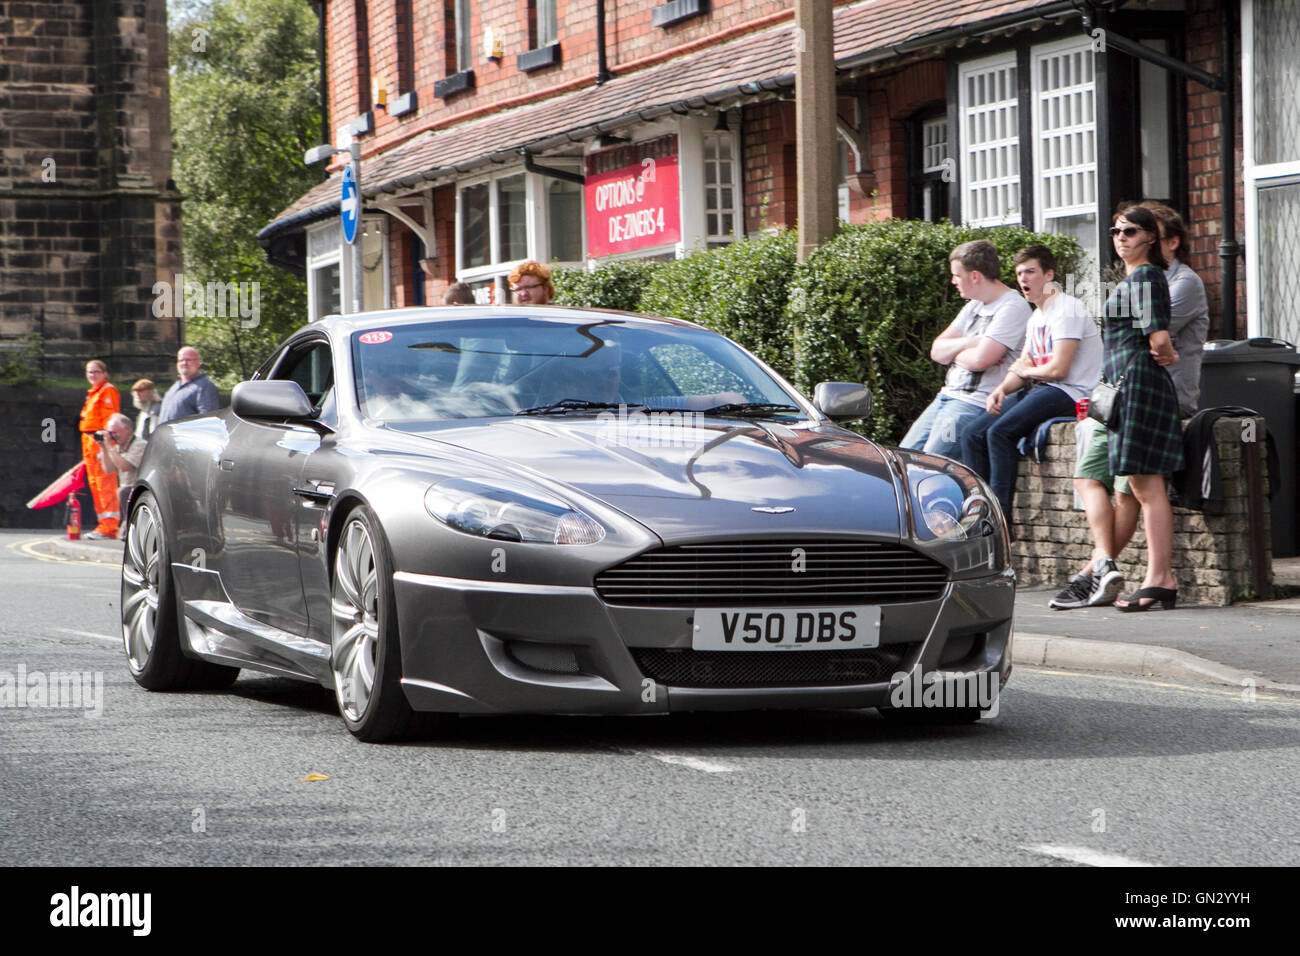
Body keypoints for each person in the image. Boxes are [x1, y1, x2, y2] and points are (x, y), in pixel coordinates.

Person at [1051, 203, 1205, 610]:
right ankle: (1159, 580)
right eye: (1116, 231)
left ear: (1151, 238)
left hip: (1138, 388)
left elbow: (1157, 336)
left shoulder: (1149, 276)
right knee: (1143, 485)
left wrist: (1166, 353)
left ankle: (1160, 578)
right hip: (1130, 387)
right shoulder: (1135, 277)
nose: (1121, 238)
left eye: (1131, 232)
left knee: (1147, 487)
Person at [959, 245, 1102, 522]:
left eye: (1031, 272)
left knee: (1000, 433)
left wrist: (1027, 372)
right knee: (971, 434)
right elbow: (1021, 365)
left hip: (1072, 393)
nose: (1024, 279)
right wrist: (1001, 389)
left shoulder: (1067, 309)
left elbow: (1059, 369)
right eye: (1019, 273)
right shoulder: (1036, 316)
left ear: (1049, 275)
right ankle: (978, 514)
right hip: (1043, 387)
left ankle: (1000, 523)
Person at [901, 240, 1031, 458]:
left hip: (971, 405)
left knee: (931, 463)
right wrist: (974, 342)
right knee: (901, 459)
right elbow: (936, 351)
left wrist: (955, 353)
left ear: (975, 276)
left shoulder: (1012, 307)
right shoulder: (974, 306)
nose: (953, 281)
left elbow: (981, 361)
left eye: (957, 275)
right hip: (944, 398)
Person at [78, 359, 121, 539]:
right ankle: (103, 525)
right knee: (96, 485)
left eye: (96, 372)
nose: (92, 375)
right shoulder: (94, 393)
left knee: (105, 484)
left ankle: (110, 526)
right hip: (89, 441)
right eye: (90, 372)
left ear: (104, 373)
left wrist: (104, 445)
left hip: (98, 442)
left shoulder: (107, 390)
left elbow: (109, 420)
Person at [97, 412, 147, 518]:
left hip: (141, 492)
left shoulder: (140, 445)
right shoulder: (118, 448)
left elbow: (125, 467)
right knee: (123, 491)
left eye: (115, 433)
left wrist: (109, 446)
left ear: (127, 430)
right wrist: (103, 448)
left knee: (123, 491)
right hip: (127, 494)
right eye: (110, 434)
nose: (113, 437)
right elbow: (109, 469)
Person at [160, 346, 219, 423]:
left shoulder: (205, 386)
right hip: (165, 434)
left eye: (188, 360)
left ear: (198, 362)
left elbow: (208, 420)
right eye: (181, 360)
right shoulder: (175, 387)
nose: (184, 363)